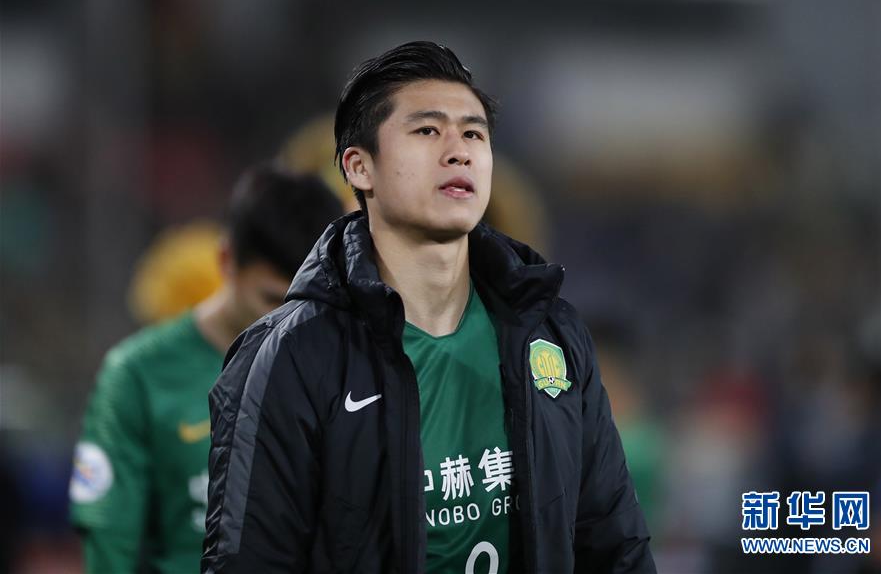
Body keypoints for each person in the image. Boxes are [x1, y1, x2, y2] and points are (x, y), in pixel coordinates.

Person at [203, 42, 655, 574]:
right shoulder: (289, 356)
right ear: (359, 167)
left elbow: (615, 547)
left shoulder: (551, 332)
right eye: (427, 130)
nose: (458, 151)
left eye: (473, 134)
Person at [69, 165, 344, 574]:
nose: (291, 321)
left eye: (310, 303)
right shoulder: (137, 376)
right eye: (273, 299)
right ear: (226, 260)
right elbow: (111, 544)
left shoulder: (347, 368)